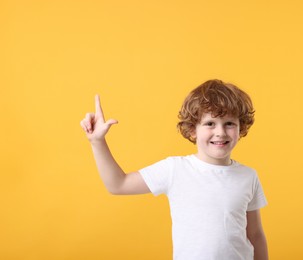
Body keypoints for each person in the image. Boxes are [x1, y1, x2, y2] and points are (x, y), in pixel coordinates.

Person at [80, 79, 269, 260]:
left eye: (229, 123)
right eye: (210, 123)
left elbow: (255, 234)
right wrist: (97, 142)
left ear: (240, 127)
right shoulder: (175, 169)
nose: (220, 132)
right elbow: (118, 184)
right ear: (193, 129)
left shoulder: (248, 176)